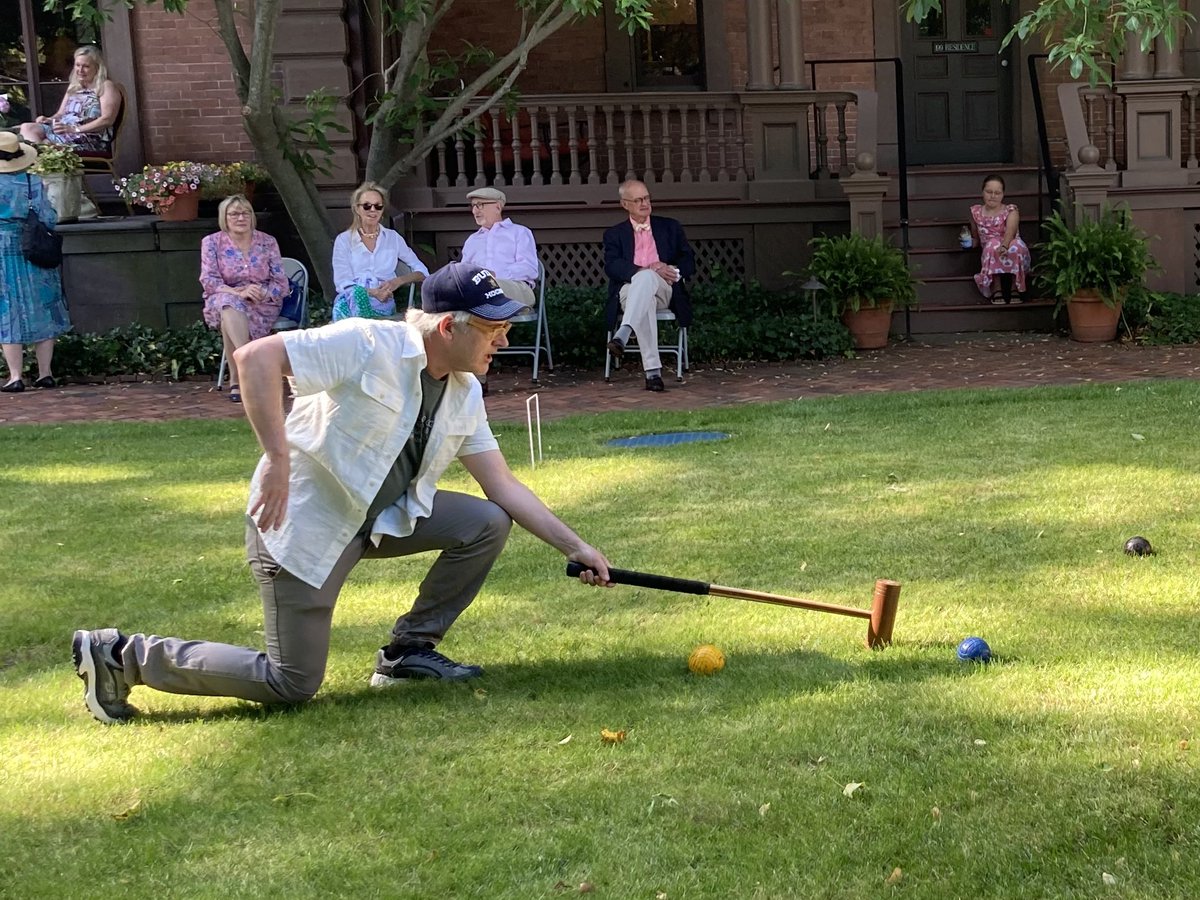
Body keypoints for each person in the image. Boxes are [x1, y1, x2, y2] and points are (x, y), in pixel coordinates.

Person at [70, 262, 614, 725]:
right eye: (495, 328)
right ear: (450, 326)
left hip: (376, 522)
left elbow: (501, 484)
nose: (505, 339)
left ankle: (407, 654)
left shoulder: (463, 390)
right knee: (291, 682)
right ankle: (122, 655)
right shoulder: (367, 342)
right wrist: (279, 457)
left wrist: (575, 547)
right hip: (301, 526)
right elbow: (255, 358)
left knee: (486, 522)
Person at [603, 179, 695, 392]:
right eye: (638, 200)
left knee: (648, 282)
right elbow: (613, 266)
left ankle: (624, 333)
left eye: (646, 198)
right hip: (629, 290)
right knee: (645, 291)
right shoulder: (614, 234)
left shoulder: (670, 227)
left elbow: (689, 260)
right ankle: (652, 373)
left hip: (665, 288)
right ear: (625, 204)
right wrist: (645, 270)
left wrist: (672, 271)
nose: (644, 203)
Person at [200, 194, 288, 403]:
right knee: (227, 304)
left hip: (262, 302)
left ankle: (238, 380)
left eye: (245, 213)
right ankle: (249, 364)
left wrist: (263, 293)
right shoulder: (211, 243)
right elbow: (209, 281)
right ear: (224, 218)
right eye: (234, 214)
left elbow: (281, 283)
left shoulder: (267, 242)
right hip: (226, 296)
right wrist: (238, 292)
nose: (241, 218)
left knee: (227, 317)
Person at [0, 133, 71, 392]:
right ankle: (45, 374)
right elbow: (50, 218)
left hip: (1, 252)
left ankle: (15, 376)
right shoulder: (32, 182)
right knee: (42, 305)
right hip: (34, 248)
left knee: (6, 310)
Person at [331, 182, 428, 321]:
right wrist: (371, 293)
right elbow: (342, 283)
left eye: (378, 206)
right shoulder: (344, 240)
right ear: (357, 209)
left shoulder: (393, 238)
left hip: (384, 301)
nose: (373, 210)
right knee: (354, 298)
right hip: (351, 300)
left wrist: (397, 281)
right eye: (367, 206)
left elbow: (422, 272)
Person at [18, 45, 120, 154]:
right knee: (27, 128)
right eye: (77, 65)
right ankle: (43, 161)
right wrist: (48, 119)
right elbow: (60, 114)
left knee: (44, 144)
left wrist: (74, 129)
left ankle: (43, 162)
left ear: (97, 67)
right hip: (64, 132)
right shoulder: (75, 86)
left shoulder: (106, 86)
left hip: (87, 138)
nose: (80, 70)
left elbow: (107, 120)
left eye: (86, 66)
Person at [461, 187, 538, 306]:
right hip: (479, 292)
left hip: (517, 288)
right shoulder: (472, 240)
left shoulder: (519, 232)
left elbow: (529, 268)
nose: (475, 211)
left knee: (487, 286)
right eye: (473, 206)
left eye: (480, 205)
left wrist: (494, 276)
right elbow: (464, 273)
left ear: (497, 207)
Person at [969, 174, 1031, 304]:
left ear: (1003, 194)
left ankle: (1015, 287)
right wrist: (969, 242)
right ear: (982, 192)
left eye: (997, 193)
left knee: (1016, 246)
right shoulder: (975, 212)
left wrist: (1005, 244)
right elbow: (976, 237)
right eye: (989, 192)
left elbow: (1011, 231)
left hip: (1010, 242)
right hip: (990, 249)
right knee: (992, 245)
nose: (993, 196)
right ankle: (996, 288)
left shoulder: (1010, 210)